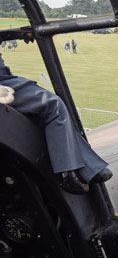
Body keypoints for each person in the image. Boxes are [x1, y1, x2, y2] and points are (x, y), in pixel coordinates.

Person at [0, 53, 111, 194]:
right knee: (52, 105)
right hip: (3, 83)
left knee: (43, 109)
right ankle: (68, 173)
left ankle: (89, 167)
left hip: (5, 79)